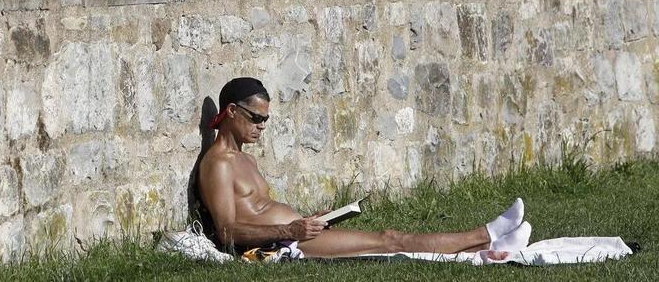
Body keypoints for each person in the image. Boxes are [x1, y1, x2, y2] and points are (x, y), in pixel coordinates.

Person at [198, 77, 532, 258]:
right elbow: (227, 232)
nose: (261, 126)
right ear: (232, 111)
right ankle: (486, 235)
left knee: (389, 241)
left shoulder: (246, 158)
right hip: (284, 244)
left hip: (295, 235)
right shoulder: (218, 164)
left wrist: (308, 220)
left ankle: (493, 249)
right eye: (256, 118)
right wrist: (290, 231)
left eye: (266, 120)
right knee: (390, 241)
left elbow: (260, 211)